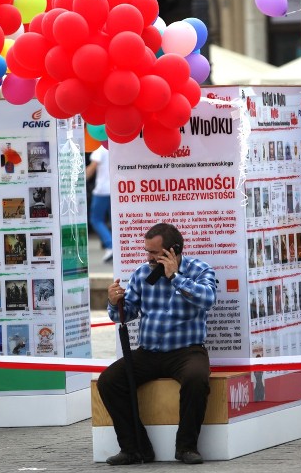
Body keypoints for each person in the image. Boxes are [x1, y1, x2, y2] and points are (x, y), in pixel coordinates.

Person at [97, 223, 217, 466]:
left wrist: (176, 278)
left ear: (173, 250)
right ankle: (135, 448)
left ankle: (186, 447)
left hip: (186, 350)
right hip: (148, 352)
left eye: (154, 252)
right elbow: (125, 314)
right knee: (109, 381)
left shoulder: (199, 270)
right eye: (147, 251)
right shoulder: (142, 274)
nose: (148, 257)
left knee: (196, 379)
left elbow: (208, 300)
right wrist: (114, 303)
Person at [87, 145, 113, 262]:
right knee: (115, 220)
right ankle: (117, 247)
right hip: (115, 189)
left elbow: (92, 168)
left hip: (102, 190)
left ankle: (110, 245)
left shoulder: (100, 148)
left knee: (96, 219)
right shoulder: (116, 146)